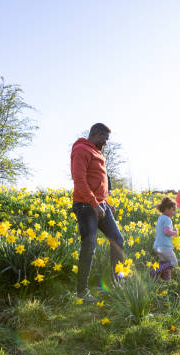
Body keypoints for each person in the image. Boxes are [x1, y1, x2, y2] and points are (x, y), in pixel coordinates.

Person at [71, 123, 124, 302]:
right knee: (89, 246)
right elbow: (79, 180)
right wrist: (94, 203)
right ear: (96, 134)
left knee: (117, 239)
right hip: (86, 206)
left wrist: (106, 203)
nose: (106, 143)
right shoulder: (81, 149)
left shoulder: (96, 152)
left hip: (100, 205)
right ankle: (82, 292)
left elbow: (98, 181)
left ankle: (117, 283)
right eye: (105, 139)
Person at [150, 197, 178, 280]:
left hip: (157, 246)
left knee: (165, 263)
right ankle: (155, 271)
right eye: (173, 210)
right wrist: (174, 233)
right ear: (167, 209)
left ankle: (165, 279)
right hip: (164, 247)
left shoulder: (160, 218)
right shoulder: (167, 219)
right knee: (173, 262)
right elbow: (166, 231)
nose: (174, 212)